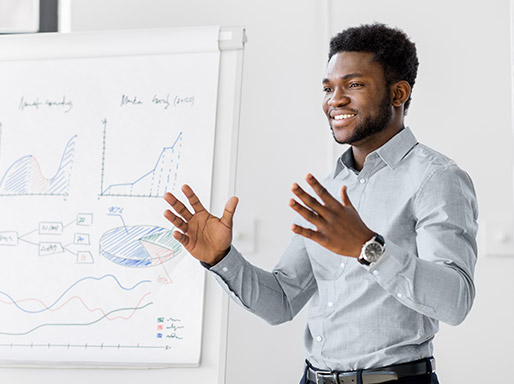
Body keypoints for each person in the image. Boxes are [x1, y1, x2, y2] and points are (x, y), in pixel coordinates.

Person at [163, 23, 478, 384]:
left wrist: (368, 248)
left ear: (398, 94)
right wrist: (221, 259)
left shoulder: (436, 178)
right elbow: (282, 300)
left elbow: (455, 302)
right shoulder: (330, 189)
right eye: (328, 88)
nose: (335, 99)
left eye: (354, 85)